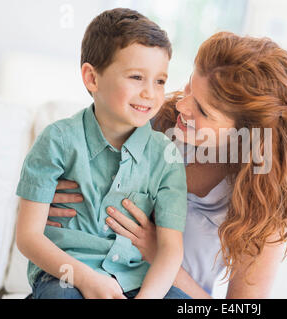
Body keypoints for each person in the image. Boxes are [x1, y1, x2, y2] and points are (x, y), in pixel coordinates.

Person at [47, 31, 287, 298]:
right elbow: (73, 161)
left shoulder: (264, 201)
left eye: (203, 110)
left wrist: (159, 255)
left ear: (248, 135)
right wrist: (51, 198)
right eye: (189, 86)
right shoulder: (158, 125)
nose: (182, 106)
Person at [15, 8, 189, 299]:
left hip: (135, 281)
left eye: (160, 80)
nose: (150, 92)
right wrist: (88, 280)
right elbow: (28, 237)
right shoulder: (57, 140)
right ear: (92, 78)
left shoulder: (166, 156)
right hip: (66, 275)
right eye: (136, 77)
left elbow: (171, 249)